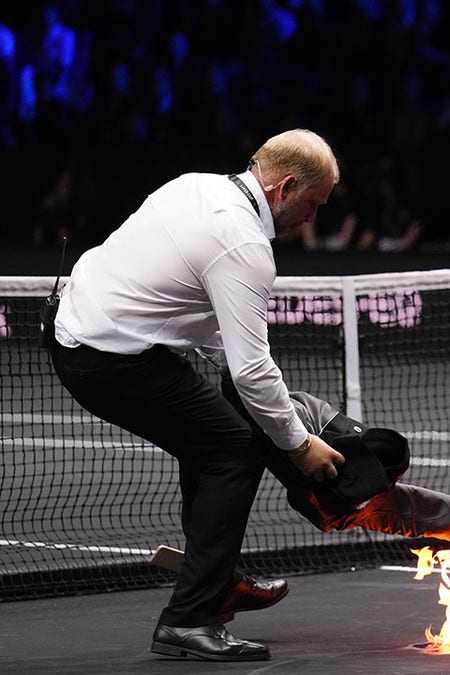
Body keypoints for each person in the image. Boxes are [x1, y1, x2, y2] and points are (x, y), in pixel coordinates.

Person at [47, 129, 346, 662]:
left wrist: (268, 409)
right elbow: (253, 370)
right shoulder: (244, 244)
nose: (312, 218)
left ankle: (217, 583)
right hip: (105, 356)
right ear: (285, 188)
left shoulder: (197, 187)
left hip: (82, 327)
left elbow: (219, 343)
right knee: (233, 451)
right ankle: (188, 620)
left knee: (213, 440)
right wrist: (300, 445)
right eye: (313, 204)